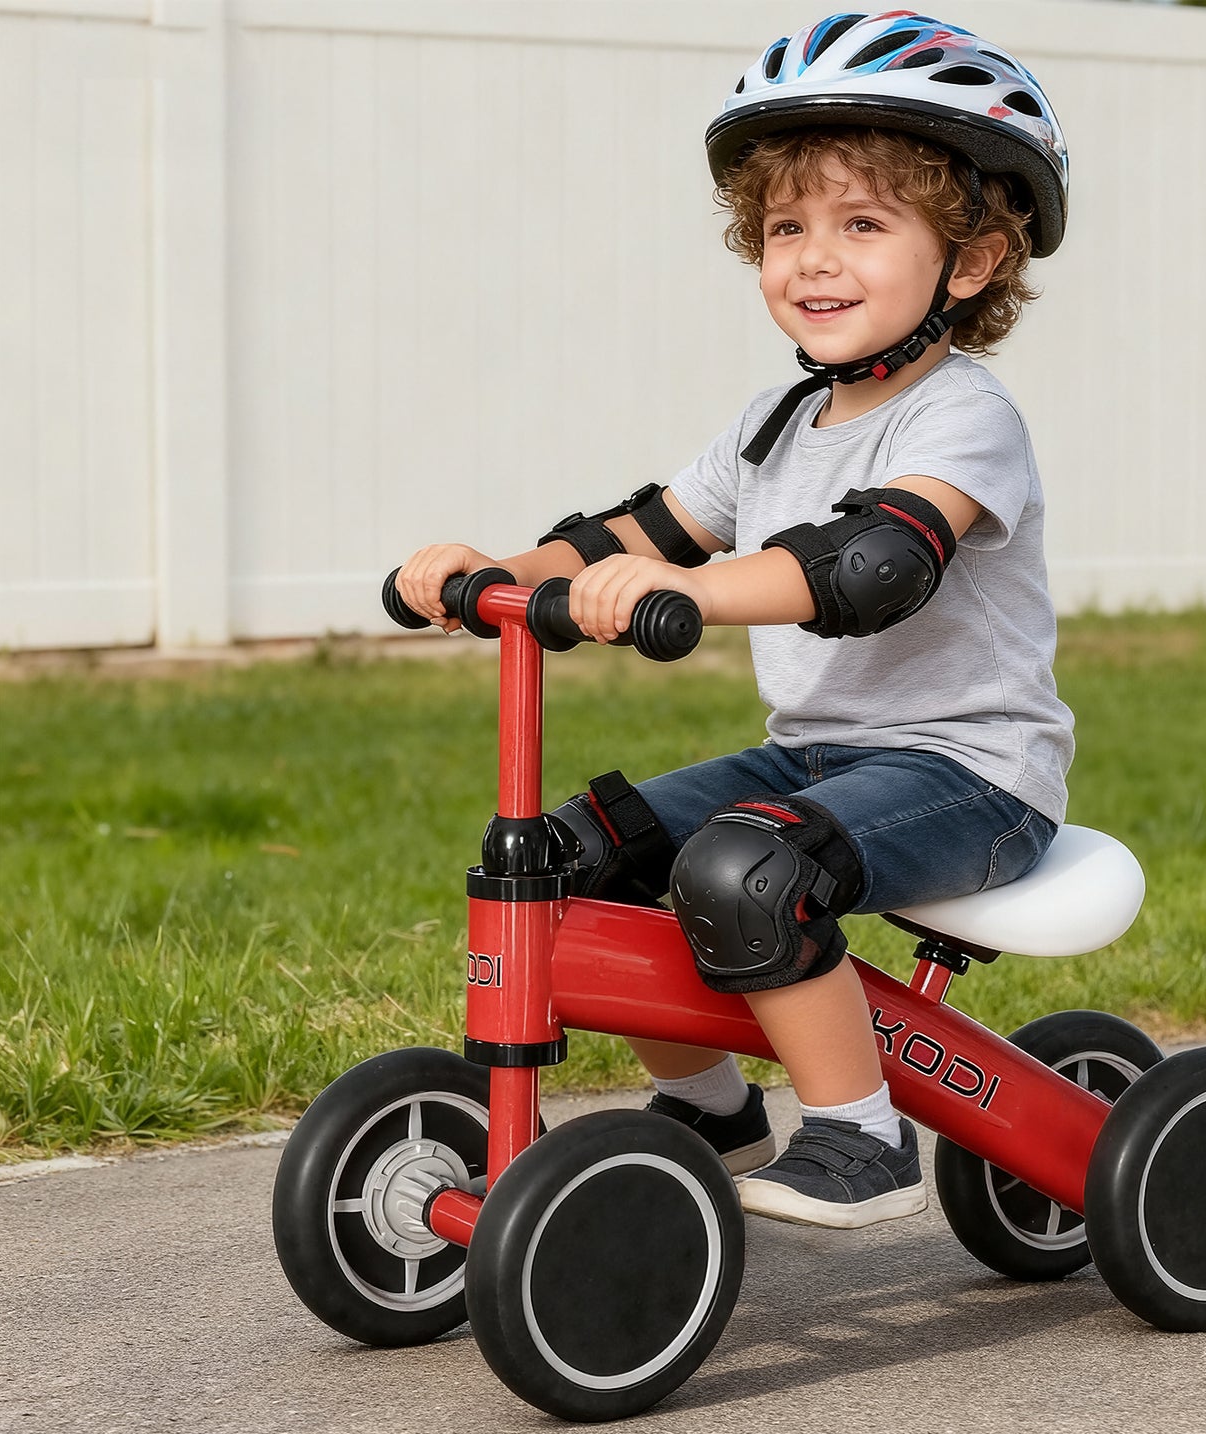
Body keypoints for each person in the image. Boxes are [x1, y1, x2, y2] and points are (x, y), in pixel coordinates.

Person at [396, 11, 1075, 1229]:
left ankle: (861, 1137)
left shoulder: (962, 417)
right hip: (818, 759)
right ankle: (712, 1111)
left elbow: (873, 563)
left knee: (745, 868)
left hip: (970, 773)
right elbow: (639, 532)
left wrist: (695, 593)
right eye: (785, 228)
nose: (812, 259)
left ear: (969, 262)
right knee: (579, 851)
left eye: (861, 225)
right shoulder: (772, 421)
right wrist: (492, 569)